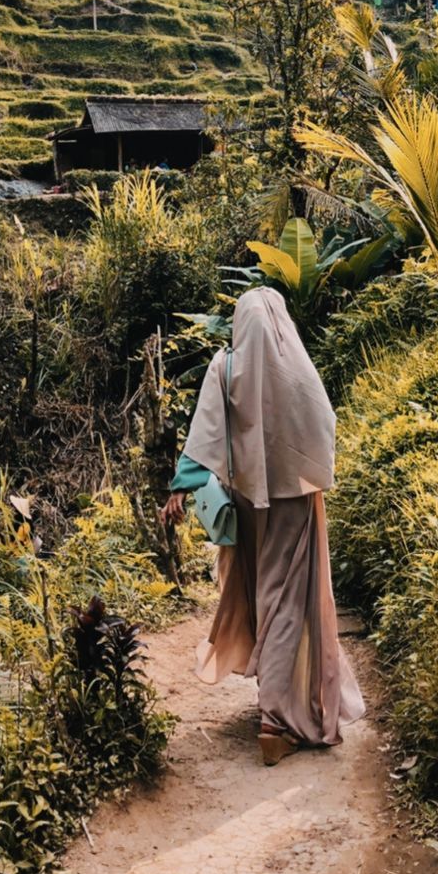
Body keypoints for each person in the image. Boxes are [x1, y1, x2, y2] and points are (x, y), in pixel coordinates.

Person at [161, 287, 365, 766]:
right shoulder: (296, 370)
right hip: (294, 499)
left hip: (249, 503)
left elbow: (206, 432)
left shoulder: (225, 366)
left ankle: (275, 699)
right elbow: (324, 424)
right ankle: (276, 717)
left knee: (262, 593)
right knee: (286, 599)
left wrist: (179, 490)